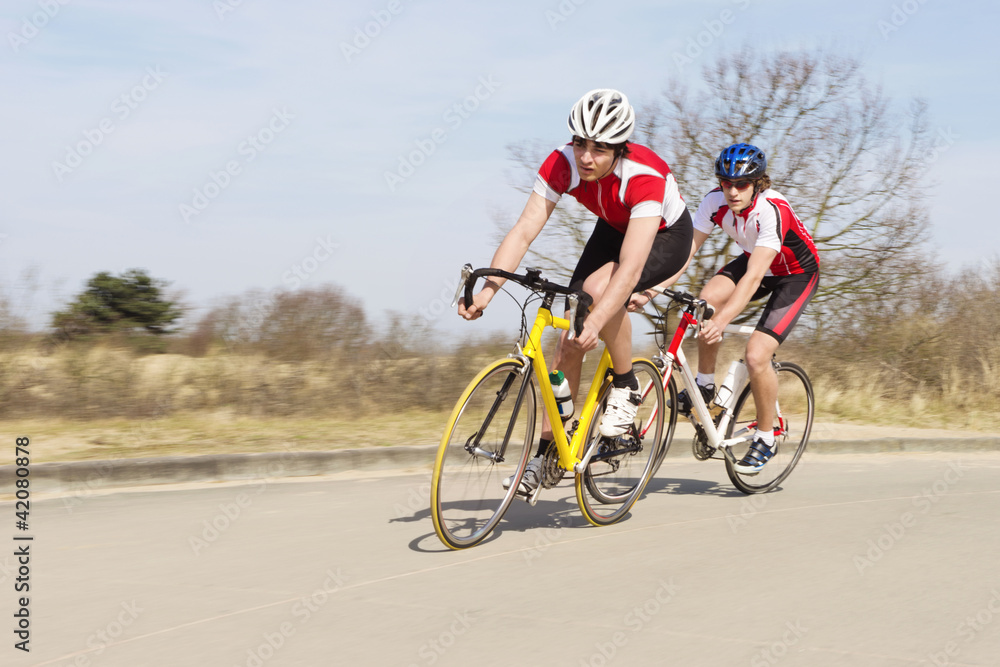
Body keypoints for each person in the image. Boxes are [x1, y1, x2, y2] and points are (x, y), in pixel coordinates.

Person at [458, 89, 693, 493]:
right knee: (568, 339)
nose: (586, 156)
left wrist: (599, 318)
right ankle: (549, 451)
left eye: (600, 148)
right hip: (614, 225)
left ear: (619, 150)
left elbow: (632, 266)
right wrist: (487, 292)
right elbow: (524, 230)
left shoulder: (643, 176)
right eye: (580, 142)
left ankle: (625, 385)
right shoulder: (561, 163)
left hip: (665, 236)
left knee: (599, 295)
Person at [661, 142, 820, 474]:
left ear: (758, 183)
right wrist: (657, 284)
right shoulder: (713, 202)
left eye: (742, 184)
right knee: (704, 303)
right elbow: (686, 250)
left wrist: (724, 320)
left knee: (756, 355)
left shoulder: (771, 209)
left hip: (794, 275)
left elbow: (754, 278)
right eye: (726, 183)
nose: (732, 191)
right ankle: (704, 386)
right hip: (755, 261)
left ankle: (766, 436)